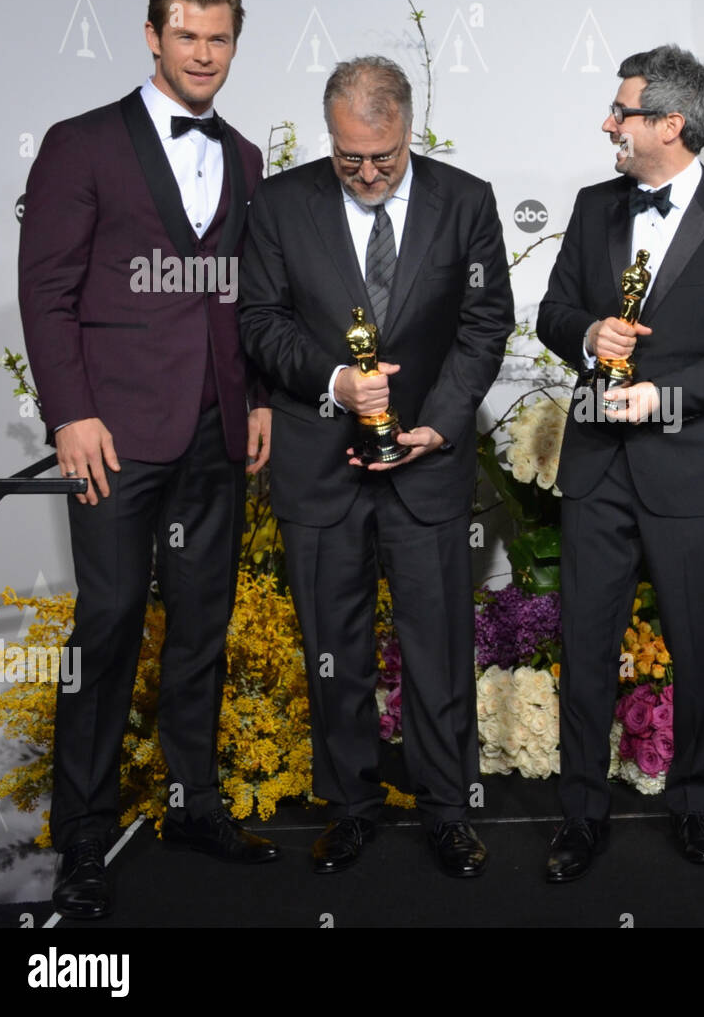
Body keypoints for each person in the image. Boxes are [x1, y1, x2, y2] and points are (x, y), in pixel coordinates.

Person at [17, 0, 277, 921]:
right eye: (187, 37)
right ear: (151, 37)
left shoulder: (246, 156)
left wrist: (253, 399)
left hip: (215, 427)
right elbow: (46, 290)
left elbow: (242, 297)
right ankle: (80, 836)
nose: (203, 55)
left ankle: (192, 804)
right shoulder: (81, 144)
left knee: (201, 627)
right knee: (110, 624)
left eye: (219, 40)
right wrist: (69, 413)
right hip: (114, 435)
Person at [237, 56, 513, 878]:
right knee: (335, 646)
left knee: (437, 644)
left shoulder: (465, 200)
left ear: (408, 129)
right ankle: (350, 804)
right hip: (318, 462)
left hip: (426, 464)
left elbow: (484, 323)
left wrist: (439, 422)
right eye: (348, 155)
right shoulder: (282, 205)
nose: (364, 171)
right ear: (332, 133)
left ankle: (446, 809)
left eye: (382, 157)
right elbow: (259, 320)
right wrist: (333, 381)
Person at [536, 45, 704, 881]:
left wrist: (665, 394)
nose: (608, 123)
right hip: (597, 468)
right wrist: (587, 335)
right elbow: (552, 311)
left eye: (623, 111)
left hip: (689, 474)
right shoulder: (592, 205)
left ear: (671, 124)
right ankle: (580, 815)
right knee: (585, 645)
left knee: (695, 648)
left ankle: (690, 804)